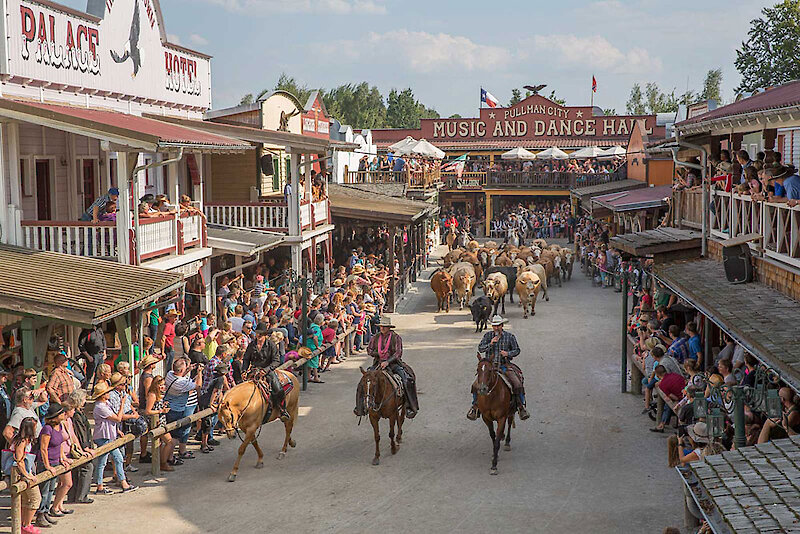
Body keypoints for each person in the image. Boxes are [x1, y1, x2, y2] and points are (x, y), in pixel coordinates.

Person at [468, 315, 529, 421]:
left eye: (498, 326)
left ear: (502, 326)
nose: (496, 328)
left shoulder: (510, 337)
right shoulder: (487, 336)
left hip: (504, 365)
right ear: (492, 326)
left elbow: (517, 350)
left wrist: (508, 353)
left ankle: (521, 407)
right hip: (489, 367)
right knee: (475, 385)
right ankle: (475, 406)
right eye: (494, 326)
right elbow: (480, 348)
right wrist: (490, 344)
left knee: (517, 384)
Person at [355, 317, 419, 418]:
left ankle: (410, 406)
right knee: (364, 381)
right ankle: (360, 407)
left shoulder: (396, 337)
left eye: (384, 326)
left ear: (389, 327)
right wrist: (378, 354)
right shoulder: (375, 337)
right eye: (381, 326)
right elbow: (369, 349)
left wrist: (388, 361)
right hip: (378, 363)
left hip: (393, 363)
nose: (382, 328)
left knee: (407, 379)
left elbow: (398, 353)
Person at [91, 382, 136, 494]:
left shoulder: (106, 404)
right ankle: (103, 485)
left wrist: (117, 430)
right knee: (105, 461)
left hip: (109, 435)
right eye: (107, 392)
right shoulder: (100, 407)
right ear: (102, 395)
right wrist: (122, 404)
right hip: (103, 436)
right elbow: (117, 418)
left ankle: (118, 483)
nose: (109, 393)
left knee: (116, 459)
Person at [37, 403, 72, 525]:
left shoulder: (59, 426)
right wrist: (47, 465)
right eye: (61, 413)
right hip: (47, 462)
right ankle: (40, 514)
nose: (64, 414)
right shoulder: (47, 428)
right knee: (45, 490)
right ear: (55, 416)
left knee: (52, 489)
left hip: (56, 462)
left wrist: (62, 458)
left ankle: (46, 512)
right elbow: (43, 448)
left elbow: (60, 444)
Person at [9, 417, 41, 533]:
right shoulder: (21, 441)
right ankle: (26, 525)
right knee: (36, 499)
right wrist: (27, 475)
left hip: (25, 471)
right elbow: (19, 460)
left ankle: (23, 525)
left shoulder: (25, 440)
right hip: (20, 473)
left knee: (25, 499)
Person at [65, 390, 94, 505]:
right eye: (83, 399)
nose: (85, 401)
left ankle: (75, 496)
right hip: (78, 447)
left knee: (78, 471)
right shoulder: (76, 415)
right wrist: (85, 448)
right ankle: (82, 496)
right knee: (87, 467)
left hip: (79, 445)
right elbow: (80, 432)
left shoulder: (78, 413)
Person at [143, 376, 175, 472]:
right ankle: (163, 463)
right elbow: (147, 411)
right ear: (156, 385)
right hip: (156, 423)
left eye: (164, 385)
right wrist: (161, 411)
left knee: (162, 444)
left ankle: (162, 462)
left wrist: (163, 405)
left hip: (161, 421)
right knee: (170, 442)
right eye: (161, 385)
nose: (163, 387)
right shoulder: (152, 395)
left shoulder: (159, 394)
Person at [77, 325, 106, 389]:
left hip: (101, 354)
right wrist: (88, 356)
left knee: (99, 374)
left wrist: (104, 352)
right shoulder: (86, 332)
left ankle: (95, 390)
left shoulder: (99, 330)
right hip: (92, 355)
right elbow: (81, 345)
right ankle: (84, 389)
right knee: (89, 374)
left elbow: (103, 341)